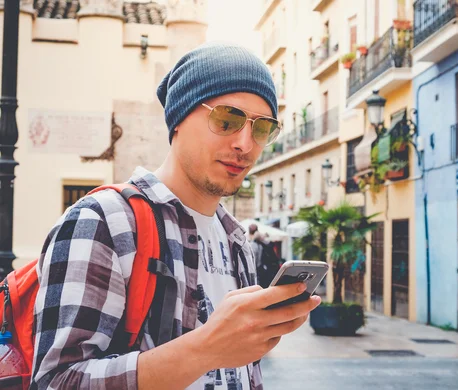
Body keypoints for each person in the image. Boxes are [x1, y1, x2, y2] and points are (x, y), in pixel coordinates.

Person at [30, 42, 321, 390]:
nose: (245, 143)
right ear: (179, 117)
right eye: (227, 119)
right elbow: (56, 382)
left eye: (261, 129)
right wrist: (206, 348)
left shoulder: (237, 240)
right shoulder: (105, 221)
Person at [247, 224, 281, 289]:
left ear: (249, 232)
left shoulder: (253, 244)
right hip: (267, 272)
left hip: (258, 273)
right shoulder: (266, 243)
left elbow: (253, 262)